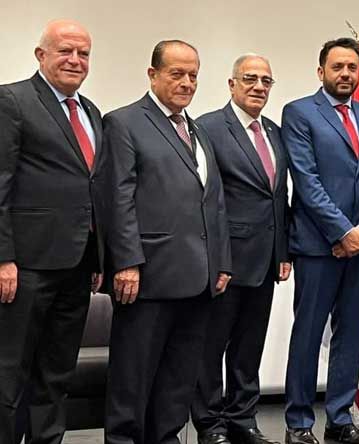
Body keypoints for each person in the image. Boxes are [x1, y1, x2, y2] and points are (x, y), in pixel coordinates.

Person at [101, 40, 232, 444]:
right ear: (153, 74)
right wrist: (126, 262)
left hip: (199, 278)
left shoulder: (196, 130)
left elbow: (214, 201)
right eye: (177, 73)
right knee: (133, 374)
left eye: (193, 75)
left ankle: (165, 437)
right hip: (148, 277)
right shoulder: (124, 122)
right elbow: (117, 197)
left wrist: (221, 262)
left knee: (179, 375)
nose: (187, 82)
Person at [281, 37, 359, 444]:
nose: (345, 74)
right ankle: (298, 422)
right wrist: (342, 231)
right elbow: (306, 181)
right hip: (318, 246)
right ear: (321, 71)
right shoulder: (299, 113)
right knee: (308, 334)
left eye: (351, 67)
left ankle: (340, 418)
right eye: (337, 67)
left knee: (351, 335)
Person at [0, 19, 103, 444]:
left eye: (83, 53)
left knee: (57, 372)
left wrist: (99, 256)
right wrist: (3, 258)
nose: (75, 60)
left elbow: (92, 187)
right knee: (9, 371)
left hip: (76, 266)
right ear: (41, 55)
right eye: (65, 51)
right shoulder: (12, 101)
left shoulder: (91, 111)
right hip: (26, 266)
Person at [190, 53, 289, 444]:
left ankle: (242, 419)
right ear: (232, 84)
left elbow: (278, 197)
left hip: (265, 261)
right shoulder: (208, 128)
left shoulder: (274, 132)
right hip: (225, 261)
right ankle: (210, 424)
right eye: (250, 78)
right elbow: (205, 198)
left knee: (250, 347)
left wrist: (282, 252)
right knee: (211, 347)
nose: (258, 87)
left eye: (266, 80)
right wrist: (217, 258)